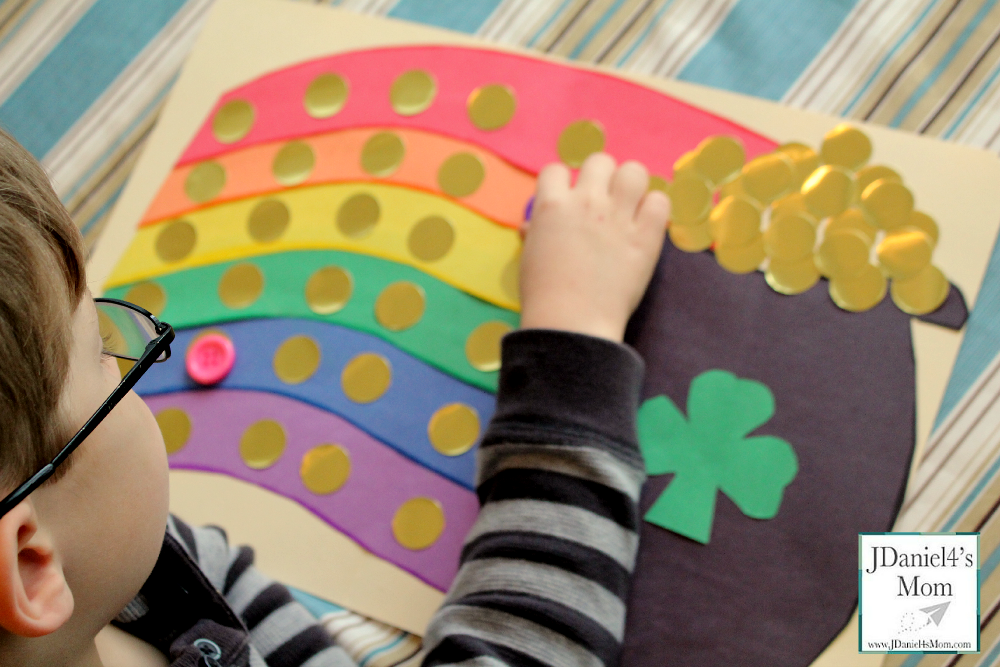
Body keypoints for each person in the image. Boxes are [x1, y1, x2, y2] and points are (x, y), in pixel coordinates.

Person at [0, 124, 669, 667]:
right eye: (103, 351)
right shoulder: (112, 543)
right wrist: (573, 338)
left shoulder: (136, 567)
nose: (132, 350)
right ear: (31, 562)